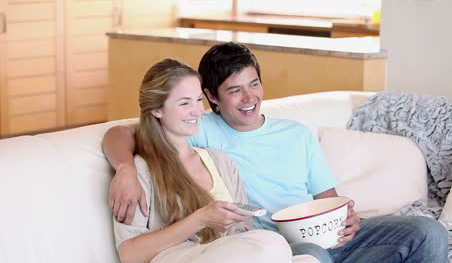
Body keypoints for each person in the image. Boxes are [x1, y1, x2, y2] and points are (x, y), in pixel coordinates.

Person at [104, 43, 448, 263]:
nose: (249, 98)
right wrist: (124, 169)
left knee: (427, 231)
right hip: (283, 246)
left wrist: (347, 218)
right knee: (310, 257)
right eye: (234, 91)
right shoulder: (199, 128)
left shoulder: (294, 134)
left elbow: (328, 198)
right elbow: (122, 132)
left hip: (323, 236)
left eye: (254, 84)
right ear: (213, 96)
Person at [111, 58, 297, 263]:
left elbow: (244, 233)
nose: (197, 110)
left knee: (305, 259)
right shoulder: (141, 172)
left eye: (199, 100)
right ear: (156, 110)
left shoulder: (220, 162)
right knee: (272, 244)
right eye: (184, 103)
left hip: (237, 256)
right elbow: (129, 254)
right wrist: (201, 219)